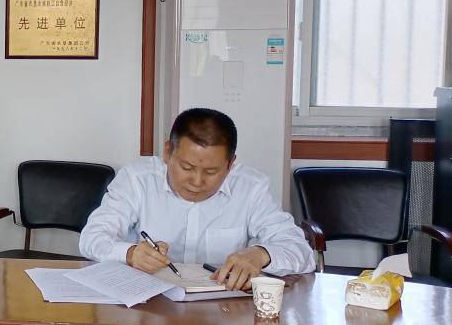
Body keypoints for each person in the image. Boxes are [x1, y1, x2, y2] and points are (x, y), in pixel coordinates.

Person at [79, 107, 314, 290]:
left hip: (223, 311)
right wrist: (130, 254)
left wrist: (260, 254)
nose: (197, 181)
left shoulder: (251, 188)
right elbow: (92, 238)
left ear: (230, 164)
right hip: (148, 302)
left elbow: (301, 253)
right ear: (167, 152)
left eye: (211, 172)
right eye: (187, 167)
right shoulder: (136, 180)